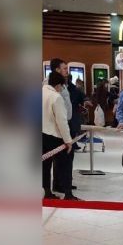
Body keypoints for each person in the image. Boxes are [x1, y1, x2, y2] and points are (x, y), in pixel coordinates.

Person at [42, 71, 78, 200]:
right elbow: (61, 121)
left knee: (45, 166)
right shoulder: (56, 97)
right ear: (58, 85)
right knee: (65, 165)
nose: (62, 89)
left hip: (41, 135)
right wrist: (68, 141)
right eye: (62, 86)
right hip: (54, 137)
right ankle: (68, 193)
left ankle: (46, 192)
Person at [47, 58, 75, 194]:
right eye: (64, 68)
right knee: (62, 158)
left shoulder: (64, 84)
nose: (67, 71)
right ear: (57, 69)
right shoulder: (51, 88)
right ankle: (63, 187)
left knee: (64, 158)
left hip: (64, 123)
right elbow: (58, 114)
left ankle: (60, 184)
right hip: (57, 127)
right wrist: (67, 139)